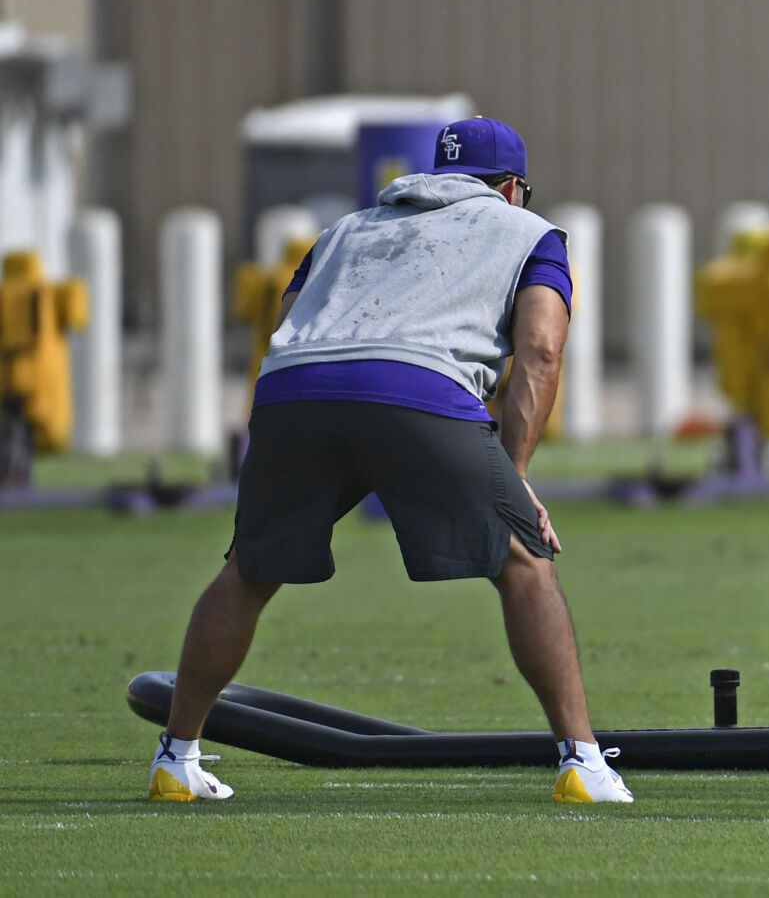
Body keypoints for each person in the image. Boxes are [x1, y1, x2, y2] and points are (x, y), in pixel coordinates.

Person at [147, 117, 632, 804]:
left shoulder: (344, 229)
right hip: (416, 388)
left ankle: (176, 755)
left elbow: (290, 319)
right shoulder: (529, 233)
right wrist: (515, 477)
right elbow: (542, 350)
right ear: (512, 188)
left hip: (294, 390)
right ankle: (583, 762)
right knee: (523, 563)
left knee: (248, 570)